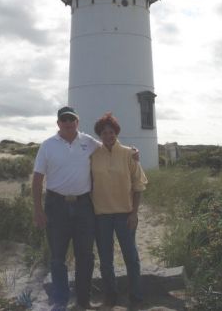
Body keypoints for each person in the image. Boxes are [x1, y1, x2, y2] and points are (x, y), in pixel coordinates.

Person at [32, 106, 100, 311]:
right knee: (57, 257)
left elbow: (109, 147)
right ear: (58, 123)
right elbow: (37, 179)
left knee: (85, 256)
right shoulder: (47, 145)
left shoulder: (88, 142)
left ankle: (83, 300)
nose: (68, 123)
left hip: (84, 206)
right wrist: (38, 210)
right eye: (64, 120)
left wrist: (132, 152)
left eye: (72, 120)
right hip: (56, 206)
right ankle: (61, 300)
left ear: (77, 122)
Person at [90, 113, 148, 308]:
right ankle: (111, 295)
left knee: (131, 257)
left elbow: (138, 185)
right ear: (99, 134)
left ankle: (136, 294)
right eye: (105, 132)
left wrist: (134, 213)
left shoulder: (129, 154)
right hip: (101, 215)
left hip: (125, 214)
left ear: (116, 133)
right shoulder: (92, 155)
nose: (108, 135)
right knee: (106, 260)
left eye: (112, 132)